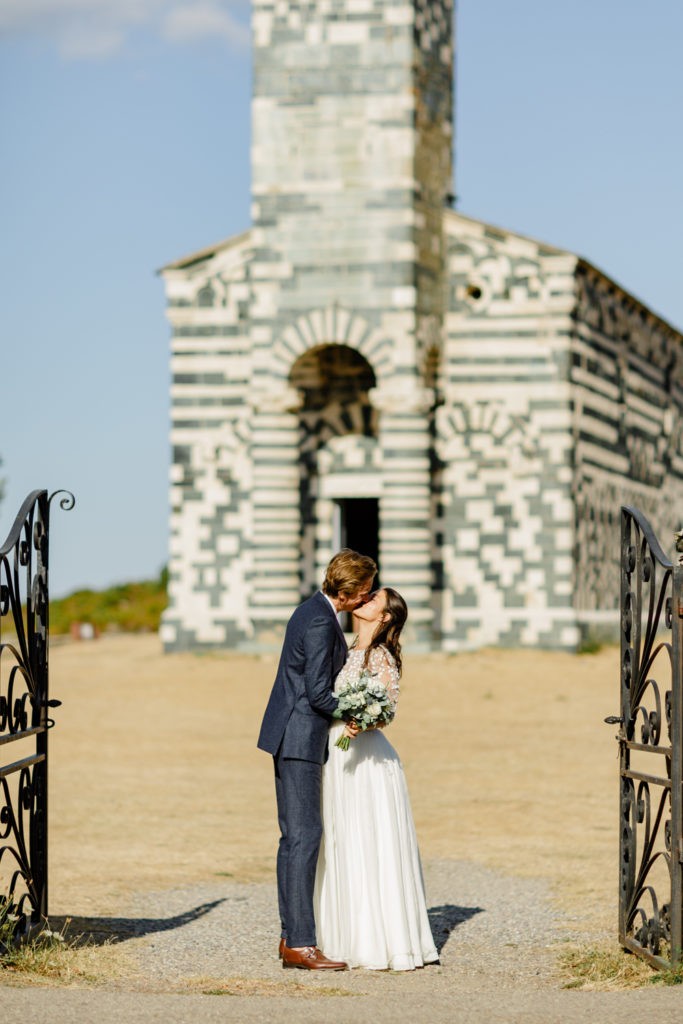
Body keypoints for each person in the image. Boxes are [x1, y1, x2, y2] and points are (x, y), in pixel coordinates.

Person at [257, 548, 377, 970]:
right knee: (303, 837)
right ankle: (301, 943)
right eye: (366, 591)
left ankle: (292, 937)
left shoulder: (311, 610)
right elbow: (317, 693)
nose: (368, 598)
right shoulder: (320, 621)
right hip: (299, 738)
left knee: (297, 838)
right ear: (353, 590)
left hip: (296, 736)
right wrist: (358, 713)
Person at [314, 588, 439, 971]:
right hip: (335, 756)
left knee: (369, 841)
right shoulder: (345, 648)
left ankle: (381, 941)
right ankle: (341, 936)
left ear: (384, 617)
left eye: (373, 600)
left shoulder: (380, 656)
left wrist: (362, 719)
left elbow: (387, 709)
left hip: (367, 759)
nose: (364, 601)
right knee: (340, 841)